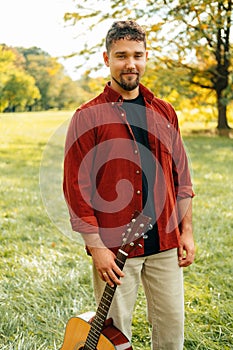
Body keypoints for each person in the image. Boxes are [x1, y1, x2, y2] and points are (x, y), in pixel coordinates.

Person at [63, 20, 195, 350]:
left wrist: (187, 231)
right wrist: (96, 248)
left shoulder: (165, 111)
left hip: (165, 244)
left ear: (146, 57)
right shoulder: (88, 116)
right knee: (114, 338)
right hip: (114, 251)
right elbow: (76, 189)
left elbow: (182, 178)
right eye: (121, 55)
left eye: (137, 55)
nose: (130, 64)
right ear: (107, 59)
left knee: (171, 330)